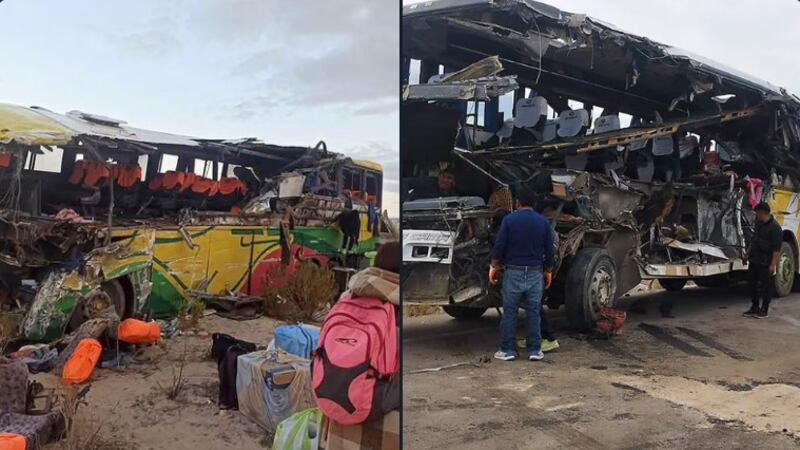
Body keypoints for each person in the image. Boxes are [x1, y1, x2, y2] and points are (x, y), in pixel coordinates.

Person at [489, 187, 554, 361]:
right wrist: (548, 270)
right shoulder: (543, 222)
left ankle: (507, 350)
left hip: (513, 272)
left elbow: (500, 245)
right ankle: (534, 350)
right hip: (535, 273)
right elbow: (549, 250)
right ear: (534, 204)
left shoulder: (509, 221)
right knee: (533, 312)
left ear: (517, 203)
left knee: (510, 312)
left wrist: (494, 265)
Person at [744, 202, 782, 319]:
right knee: (752, 284)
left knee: (765, 287)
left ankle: (764, 309)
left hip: (766, 261)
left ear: (762, 213)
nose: (756, 215)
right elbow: (754, 240)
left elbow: (776, 250)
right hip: (755, 259)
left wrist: (773, 265)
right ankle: (754, 307)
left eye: (757, 213)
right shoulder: (758, 224)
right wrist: (747, 254)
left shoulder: (775, 228)